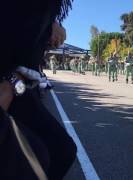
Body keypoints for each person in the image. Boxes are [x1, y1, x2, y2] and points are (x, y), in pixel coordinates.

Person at [0, 1, 77, 179]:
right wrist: (9, 82)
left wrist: (50, 25)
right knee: (54, 151)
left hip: (20, 81)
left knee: (56, 150)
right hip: (9, 80)